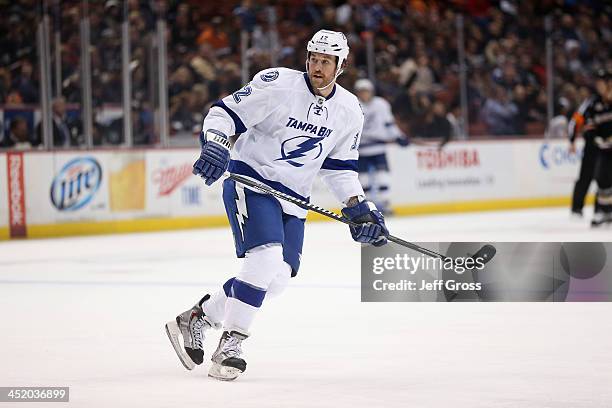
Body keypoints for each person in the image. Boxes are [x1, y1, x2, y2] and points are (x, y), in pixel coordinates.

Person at [165, 30, 389, 381]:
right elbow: (223, 113)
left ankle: (199, 317)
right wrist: (216, 144)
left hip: (294, 199)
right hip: (252, 182)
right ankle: (231, 344)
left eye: (326, 61)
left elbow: (339, 168)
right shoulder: (278, 85)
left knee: (279, 278)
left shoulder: (349, 110)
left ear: (340, 66)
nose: (317, 66)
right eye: (313, 58)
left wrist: (359, 206)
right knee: (264, 259)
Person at [354, 78, 408, 214]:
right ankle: (368, 208)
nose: (364, 94)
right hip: (362, 150)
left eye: (366, 91)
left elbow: (389, 124)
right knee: (364, 180)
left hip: (379, 149)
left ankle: (385, 204)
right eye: (361, 91)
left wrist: (399, 136)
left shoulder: (381, 104)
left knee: (383, 177)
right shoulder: (354, 104)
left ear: (371, 91)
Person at [568, 69, 611, 222]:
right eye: (598, 83)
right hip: (593, 146)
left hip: (608, 148)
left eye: (604, 82)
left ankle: (602, 209)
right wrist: (572, 139)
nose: (601, 86)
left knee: (604, 179)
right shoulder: (591, 102)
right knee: (586, 177)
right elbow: (576, 120)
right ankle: (576, 208)